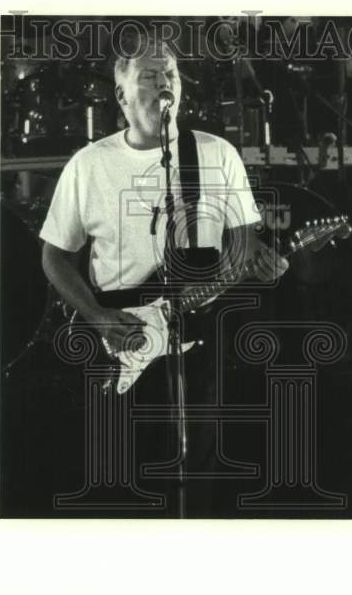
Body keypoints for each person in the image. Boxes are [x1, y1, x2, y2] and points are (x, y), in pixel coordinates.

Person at [39, 36, 287, 516]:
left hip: (198, 337)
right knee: (122, 477)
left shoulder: (217, 154)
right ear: (121, 95)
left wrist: (263, 260)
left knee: (200, 470)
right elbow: (54, 257)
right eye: (150, 76)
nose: (164, 85)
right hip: (120, 337)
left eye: (170, 74)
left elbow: (245, 245)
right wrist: (95, 316)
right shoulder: (88, 165)